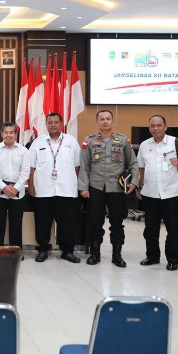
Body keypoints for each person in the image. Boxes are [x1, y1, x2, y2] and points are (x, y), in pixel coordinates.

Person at [78, 110, 139, 267]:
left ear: (113, 121)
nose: (105, 121)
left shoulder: (123, 140)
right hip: (95, 187)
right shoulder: (89, 141)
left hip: (117, 188)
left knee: (117, 223)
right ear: (97, 122)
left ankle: (117, 255)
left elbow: (133, 163)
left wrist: (134, 182)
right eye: (102, 119)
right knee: (95, 223)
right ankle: (95, 254)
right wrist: (83, 187)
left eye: (108, 119)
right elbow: (84, 166)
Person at [136, 115, 178, 271]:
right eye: (153, 126)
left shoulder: (177, 142)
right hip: (150, 193)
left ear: (165, 127)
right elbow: (141, 167)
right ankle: (152, 256)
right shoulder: (144, 145)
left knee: (173, 228)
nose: (156, 128)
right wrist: (140, 186)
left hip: (172, 193)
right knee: (150, 229)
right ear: (149, 128)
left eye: (159, 125)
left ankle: (173, 259)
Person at [28, 112, 82, 263]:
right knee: (42, 223)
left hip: (66, 190)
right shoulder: (38, 142)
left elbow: (77, 166)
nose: (53, 125)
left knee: (67, 224)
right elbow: (31, 167)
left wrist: (69, 180)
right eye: (50, 122)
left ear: (61, 124)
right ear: (46, 124)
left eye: (56, 122)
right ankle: (43, 249)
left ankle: (67, 251)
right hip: (43, 190)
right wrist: (31, 185)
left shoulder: (71, 142)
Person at [0, 121, 29, 248]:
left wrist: (15, 188)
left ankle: (15, 252)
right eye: (5, 132)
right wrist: (3, 187)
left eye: (11, 132)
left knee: (16, 225)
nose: (8, 135)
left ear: (16, 134)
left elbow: (25, 172)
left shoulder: (23, 151)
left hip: (18, 192)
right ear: (1, 134)